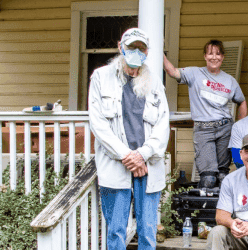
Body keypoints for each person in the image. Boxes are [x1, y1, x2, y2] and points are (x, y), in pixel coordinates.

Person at [88, 28, 169, 250]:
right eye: (131, 47)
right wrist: (129, 157)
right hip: (117, 165)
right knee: (115, 231)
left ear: (147, 51)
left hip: (148, 166)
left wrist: (142, 155)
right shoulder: (101, 77)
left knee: (148, 232)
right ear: (120, 46)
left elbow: (163, 125)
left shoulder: (155, 83)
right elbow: (99, 124)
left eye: (140, 48)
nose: (135, 52)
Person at [163, 39, 247, 188]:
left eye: (218, 54)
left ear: (223, 57)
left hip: (225, 128)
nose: (214, 57)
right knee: (208, 179)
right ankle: (206, 210)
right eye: (210, 53)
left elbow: (242, 101)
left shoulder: (230, 80)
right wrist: (159, 52)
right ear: (204, 56)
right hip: (203, 130)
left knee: (222, 176)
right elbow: (172, 71)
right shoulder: (194, 73)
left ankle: (224, 210)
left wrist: (240, 127)